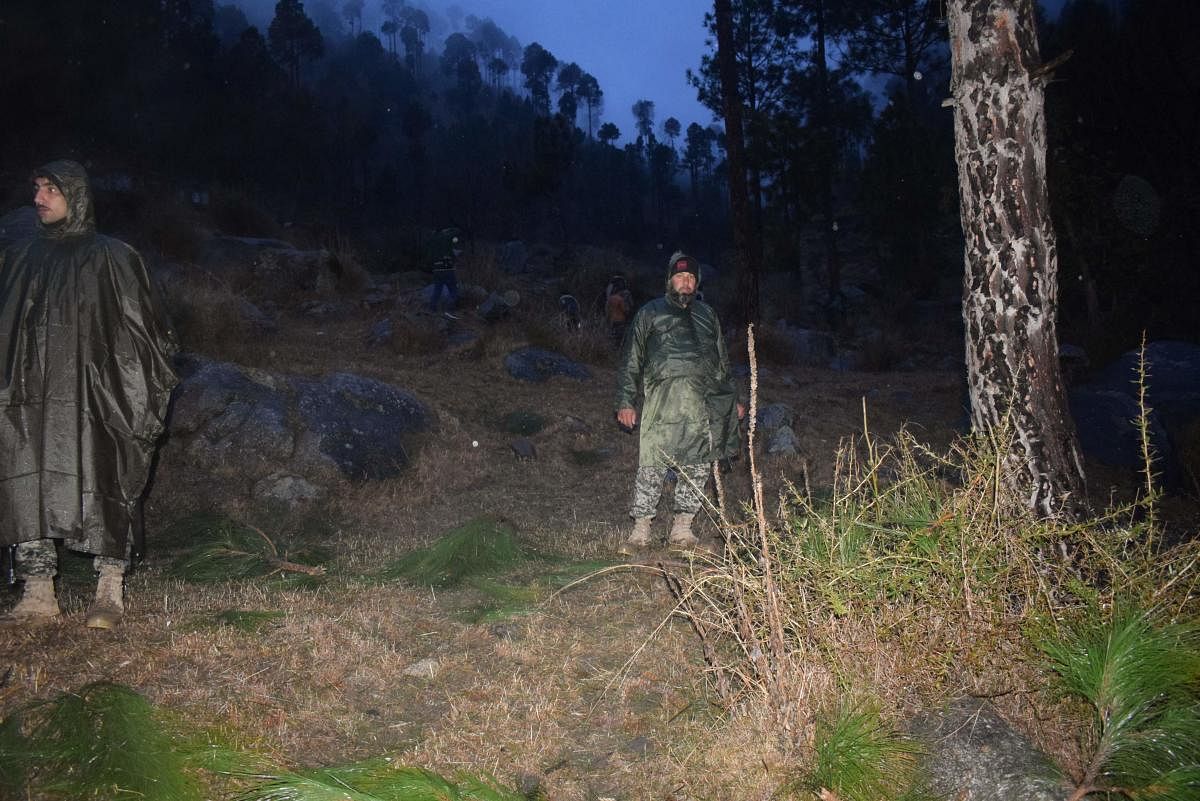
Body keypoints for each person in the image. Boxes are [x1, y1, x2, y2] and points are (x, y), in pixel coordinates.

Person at [0, 160, 179, 628]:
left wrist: (131, 390)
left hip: (96, 394)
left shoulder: (112, 257)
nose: (38, 198)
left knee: (106, 471)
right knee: (25, 474)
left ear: (75, 195)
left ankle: (109, 591)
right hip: (27, 394)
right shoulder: (18, 258)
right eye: (36, 188)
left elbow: (145, 334)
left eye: (50, 190)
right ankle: (37, 593)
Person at [615, 251, 744, 552]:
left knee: (697, 465)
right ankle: (640, 531)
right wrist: (625, 401)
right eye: (680, 276)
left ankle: (682, 529)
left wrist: (733, 400)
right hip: (662, 404)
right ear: (669, 280)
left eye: (691, 277)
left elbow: (722, 363)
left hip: (701, 406)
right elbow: (631, 361)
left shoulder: (707, 314)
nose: (686, 282)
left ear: (696, 282)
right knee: (652, 465)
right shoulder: (650, 313)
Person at [428, 227, 462, 317]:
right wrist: (449, 230)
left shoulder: (432, 241)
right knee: (453, 291)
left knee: (437, 291)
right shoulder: (445, 237)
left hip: (436, 270)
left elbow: (429, 256)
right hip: (447, 269)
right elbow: (457, 231)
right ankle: (449, 310)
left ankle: (431, 310)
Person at [604, 273, 634, 345]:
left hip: (612, 321)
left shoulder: (612, 297)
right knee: (620, 341)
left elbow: (607, 309)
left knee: (613, 341)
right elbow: (628, 308)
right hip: (621, 322)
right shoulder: (625, 294)